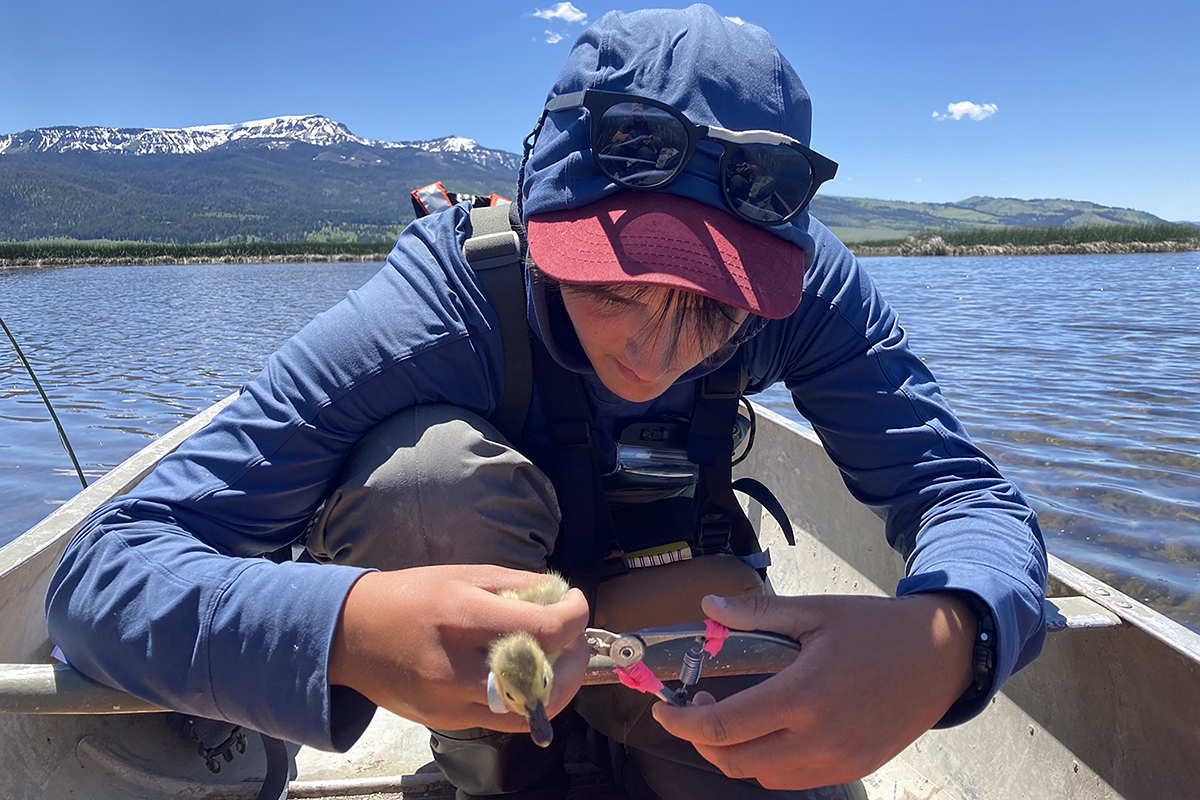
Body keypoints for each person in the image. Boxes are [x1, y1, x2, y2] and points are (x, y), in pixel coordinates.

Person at [46, 6, 1047, 800]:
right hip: (492, 623)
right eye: (613, 288)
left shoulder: (806, 288)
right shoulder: (437, 302)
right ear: (544, 213)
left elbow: (964, 495)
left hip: (660, 606)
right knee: (425, 488)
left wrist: (953, 638)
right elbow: (104, 568)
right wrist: (348, 626)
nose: (653, 352)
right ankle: (502, 772)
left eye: (710, 312)